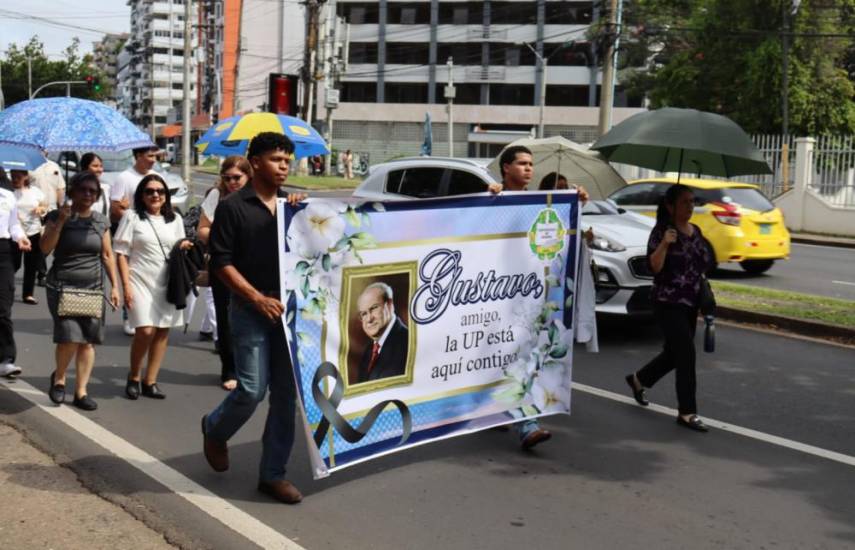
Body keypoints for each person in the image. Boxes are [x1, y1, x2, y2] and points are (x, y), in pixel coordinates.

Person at [201, 132, 306, 505]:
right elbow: (222, 263)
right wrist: (256, 298)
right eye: (277, 159)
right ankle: (215, 429)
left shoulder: (293, 206)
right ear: (255, 162)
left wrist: (301, 211)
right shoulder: (233, 207)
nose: (284, 167)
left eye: (287, 161)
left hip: (289, 313)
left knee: (285, 395)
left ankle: (272, 475)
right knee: (250, 390)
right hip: (249, 310)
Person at [625, 183, 714, 432]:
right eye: (685, 202)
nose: (690, 206)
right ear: (670, 205)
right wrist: (665, 243)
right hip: (667, 302)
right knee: (686, 354)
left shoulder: (695, 231)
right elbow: (654, 267)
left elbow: (704, 265)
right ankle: (687, 412)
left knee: (674, 354)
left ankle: (639, 379)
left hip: (690, 302)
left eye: (692, 202)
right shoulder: (661, 232)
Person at [40, 171, 121, 410]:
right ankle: (60, 378)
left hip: (93, 288)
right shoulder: (57, 216)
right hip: (62, 286)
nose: (87, 194)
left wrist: (115, 286)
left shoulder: (100, 221)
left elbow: (107, 255)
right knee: (68, 337)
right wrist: (61, 222)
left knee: (88, 342)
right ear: (72, 191)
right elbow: (45, 248)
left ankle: (81, 391)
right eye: (83, 189)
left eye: (92, 191)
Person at [114, 174, 190, 400]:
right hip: (139, 281)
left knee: (162, 331)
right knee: (145, 330)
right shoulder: (132, 217)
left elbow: (179, 246)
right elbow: (120, 253)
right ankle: (134, 376)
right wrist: (125, 285)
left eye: (160, 191)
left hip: (168, 282)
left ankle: (151, 381)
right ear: (141, 195)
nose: (155, 195)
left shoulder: (175, 219)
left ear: (166, 195)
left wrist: (185, 246)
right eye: (149, 191)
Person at [197, 155, 252, 391]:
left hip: (253, 266)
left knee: (251, 317)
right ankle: (228, 368)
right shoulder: (216, 196)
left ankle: (248, 367)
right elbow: (202, 229)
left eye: (237, 177)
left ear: (248, 176)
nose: (232, 182)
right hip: (224, 264)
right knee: (226, 317)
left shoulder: (257, 196)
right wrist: (223, 240)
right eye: (227, 178)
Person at [110, 145, 157, 336]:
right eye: (150, 155)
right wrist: (133, 219)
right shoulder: (124, 178)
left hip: (153, 235)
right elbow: (115, 208)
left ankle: (151, 313)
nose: (153, 159)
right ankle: (129, 316)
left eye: (156, 156)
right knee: (130, 276)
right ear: (138, 156)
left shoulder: (155, 177)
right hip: (131, 234)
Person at [0, 178, 32, 378]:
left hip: (3, 251)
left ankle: (6, 359)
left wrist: (20, 237)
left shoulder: (7, 196)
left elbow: (13, 225)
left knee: (3, 307)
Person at [355, 282, 408, 383]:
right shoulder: (368, 351)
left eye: (374, 308)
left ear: (389, 305)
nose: (369, 319)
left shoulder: (407, 341)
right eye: (364, 314)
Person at [10, 170, 47, 304]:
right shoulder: (8, 192)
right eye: (13, 176)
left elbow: (44, 204)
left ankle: (28, 294)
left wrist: (40, 209)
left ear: (26, 176)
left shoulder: (35, 191)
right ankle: (6, 288)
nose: (15, 179)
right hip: (15, 233)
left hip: (33, 231)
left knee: (32, 265)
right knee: (14, 263)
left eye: (18, 177)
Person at [29, 151, 65, 287]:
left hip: (52, 209)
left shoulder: (54, 166)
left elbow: (60, 187)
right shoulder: (30, 166)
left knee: (49, 240)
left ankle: (39, 269)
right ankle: (40, 272)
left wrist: (61, 205)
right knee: (38, 240)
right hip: (35, 210)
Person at [79, 153, 111, 218]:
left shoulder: (105, 187)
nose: (99, 169)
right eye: (95, 166)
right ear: (85, 167)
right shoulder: (77, 188)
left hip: (102, 226)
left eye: (101, 166)